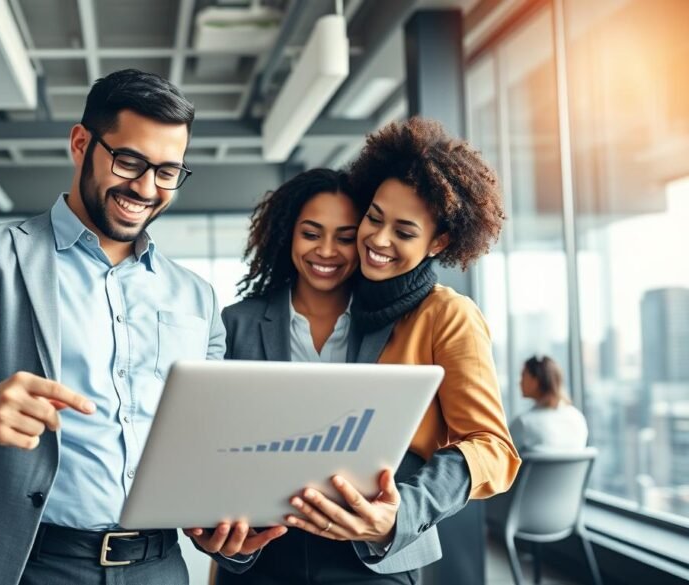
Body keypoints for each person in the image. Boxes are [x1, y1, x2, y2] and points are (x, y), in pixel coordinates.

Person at [0, 69, 283, 585]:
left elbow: (207, 446)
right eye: (129, 161)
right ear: (80, 143)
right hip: (27, 564)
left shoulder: (196, 296)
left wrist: (220, 521)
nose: (145, 187)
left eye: (167, 171)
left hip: (156, 567)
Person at [223, 117, 522, 584]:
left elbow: (492, 449)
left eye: (404, 232)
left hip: (373, 557)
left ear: (438, 241)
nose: (377, 241)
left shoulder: (443, 315)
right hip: (267, 554)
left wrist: (401, 513)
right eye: (374, 219)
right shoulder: (255, 318)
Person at [217, 168, 368, 582]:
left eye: (345, 236)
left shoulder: (392, 326)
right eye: (311, 233)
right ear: (288, 236)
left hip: (362, 551)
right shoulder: (236, 324)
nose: (327, 250)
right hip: (263, 547)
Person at [510, 355, 588, 452]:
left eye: (523, 375)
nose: (519, 382)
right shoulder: (578, 418)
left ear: (536, 381)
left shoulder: (523, 424)